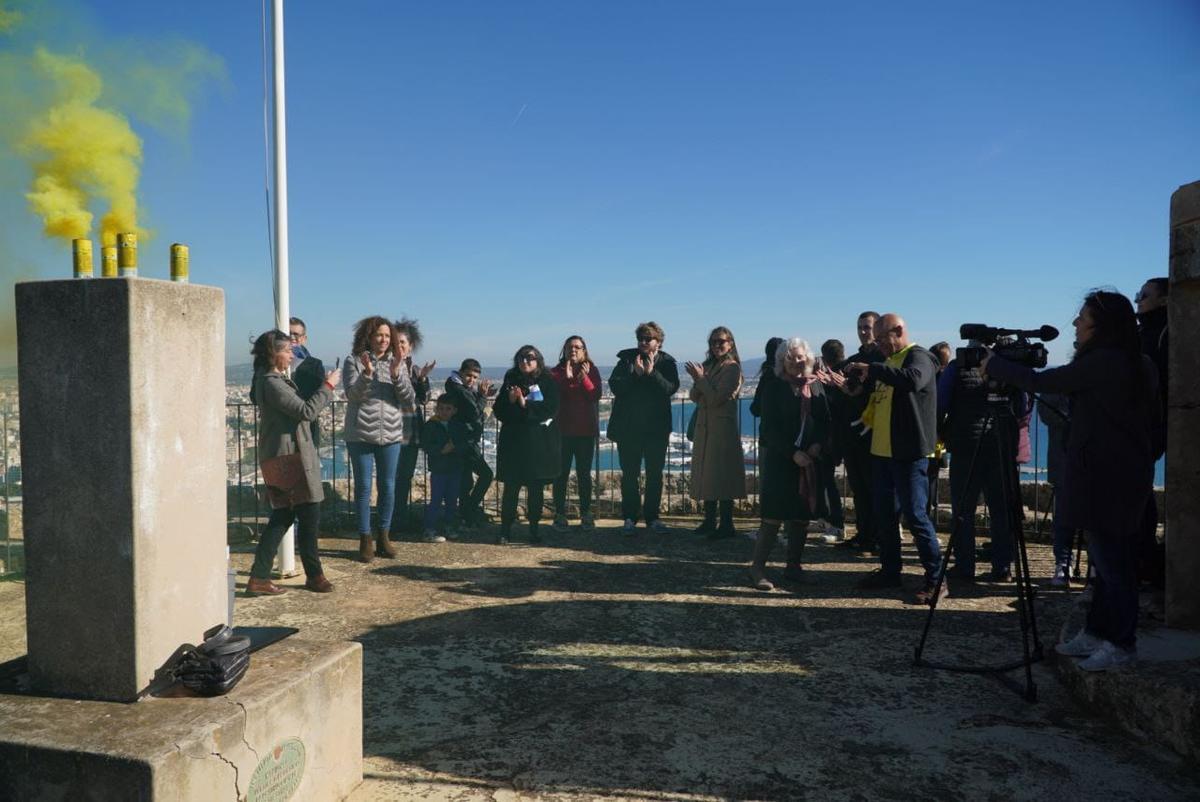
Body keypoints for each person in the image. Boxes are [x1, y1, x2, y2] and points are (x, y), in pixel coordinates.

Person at [983, 290, 1159, 671]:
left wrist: (994, 364)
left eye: (1082, 318)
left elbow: (1041, 380)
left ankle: (1121, 644)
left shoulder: (1105, 363)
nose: (1076, 324)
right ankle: (1096, 633)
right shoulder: (1137, 362)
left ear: (1102, 326)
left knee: (1114, 567)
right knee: (1104, 563)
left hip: (1107, 480)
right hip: (1123, 475)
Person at [838, 313, 943, 604]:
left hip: (908, 453)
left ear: (899, 331)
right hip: (882, 452)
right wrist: (854, 389)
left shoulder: (918, 357)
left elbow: (913, 381)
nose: (880, 345)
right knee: (885, 516)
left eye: (883, 339)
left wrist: (873, 368)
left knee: (916, 516)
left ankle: (936, 578)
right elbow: (876, 396)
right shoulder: (888, 362)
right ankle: (890, 571)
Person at [246, 329, 341, 595]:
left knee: (284, 516)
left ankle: (261, 576)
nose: (291, 355)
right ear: (273, 353)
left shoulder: (268, 380)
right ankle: (313, 576)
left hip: (286, 455)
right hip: (289, 458)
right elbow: (306, 411)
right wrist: (329, 386)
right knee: (306, 514)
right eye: (287, 350)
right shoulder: (273, 382)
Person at [748, 338, 831, 590]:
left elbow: (825, 420)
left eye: (800, 357)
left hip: (808, 460)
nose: (796, 361)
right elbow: (768, 429)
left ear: (809, 358)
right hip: (781, 459)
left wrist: (816, 445)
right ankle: (757, 569)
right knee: (772, 517)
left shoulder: (815, 387)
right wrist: (792, 453)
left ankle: (794, 567)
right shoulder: (774, 386)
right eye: (790, 357)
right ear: (781, 361)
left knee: (800, 517)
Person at [937, 344, 1019, 583]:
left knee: (963, 510)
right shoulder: (1007, 368)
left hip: (965, 445)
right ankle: (1003, 567)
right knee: (1001, 510)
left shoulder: (956, 368)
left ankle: (964, 566)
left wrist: (942, 431)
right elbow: (1022, 408)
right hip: (1000, 443)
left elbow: (941, 403)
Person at [342, 315, 416, 562]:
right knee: (363, 487)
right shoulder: (353, 361)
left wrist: (396, 373)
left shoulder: (399, 363)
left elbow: (408, 399)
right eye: (378, 335)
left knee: (388, 486)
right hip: (360, 433)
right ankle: (365, 538)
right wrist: (367, 374)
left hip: (391, 433)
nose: (383, 340)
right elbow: (352, 395)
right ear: (368, 337)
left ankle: (384, 535)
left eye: (387, 335)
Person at [607, 322, 680, 535]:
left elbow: (670, 388)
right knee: (629, 474)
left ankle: (652, 517)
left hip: (656, 429)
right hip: (629, 428)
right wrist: (635, 374)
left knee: (654, 474)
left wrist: (651, 373)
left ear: (659, 342)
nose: (643, 343)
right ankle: (629, 516)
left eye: (648, 339)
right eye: (641, 339)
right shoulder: (627, 360)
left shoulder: (667, 363)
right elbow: (615, 387)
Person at [493, 345, 561, 544]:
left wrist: (525, 405)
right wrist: (510, 400)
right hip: (514, 444)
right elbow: (499, 411)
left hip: (538, 444)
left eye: (529, 358)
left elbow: (551, 408)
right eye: (521, 358)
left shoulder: (548, 381)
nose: (525, 361)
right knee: (511, 489)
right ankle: (505, 529)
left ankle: (533, 529)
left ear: (538, 360)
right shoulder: (511, 379)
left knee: (535, 489)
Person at [828, 311, 884, 552]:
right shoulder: (852, 362)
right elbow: (844, 398)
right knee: (859, 489)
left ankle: (878, 537)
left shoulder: (883, 361)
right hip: (853, 435)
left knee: (875, 489)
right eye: (860, 327)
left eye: (867, 327)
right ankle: (864, 534)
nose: (863, 332)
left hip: (875, 435)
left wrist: (858, 391)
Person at [685, 326, 747, 538]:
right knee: (708, 474)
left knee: (722, 474)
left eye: (721, 341)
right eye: (713, 342)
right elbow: (695, 396)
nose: (717, 345)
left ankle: (726, 523)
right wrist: (700, 382)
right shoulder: (710, 366)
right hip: (706, 427)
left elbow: (715, 399)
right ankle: (710, 520)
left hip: (721, 429)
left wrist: (701, 380)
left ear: (730, 343)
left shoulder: (732, 368)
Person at [388, 318, 437, 541]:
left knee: (404, 477)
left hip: (411, 432)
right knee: (390, 478)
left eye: (403, 343)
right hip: (392, 430)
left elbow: (424, 399)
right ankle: (389, 522)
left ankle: (400, 518)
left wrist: (423, 378)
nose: (400, 346)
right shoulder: (388, 366)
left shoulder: (415, 369)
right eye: (396, 342)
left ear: (410, 346)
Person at [549, 335, 602, 532]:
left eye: (578, 347)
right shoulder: (556, 372)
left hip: (585, 431)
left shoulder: (592, 370)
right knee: (560, 475)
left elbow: (595, 395)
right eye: (570, 347)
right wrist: (569, 380)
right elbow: (555, 396)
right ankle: (559, 514)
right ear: (564, 350)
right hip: (562, 431)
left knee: (584, 475)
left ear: (584, 350)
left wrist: (584, 379)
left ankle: (586, 513)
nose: (574, 350)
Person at [1135, 277, 1168, 591]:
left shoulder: (1161, 335)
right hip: (1147, 427)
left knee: (1138, 501)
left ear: (1165, 300)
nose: (1138, 301)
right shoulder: (1147, 333)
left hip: (1148, 427)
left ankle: (1146, 565)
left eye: (1144, 296)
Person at [444, 359, 496, 526]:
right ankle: (469, 511)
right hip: (464, 440)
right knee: (485, 475)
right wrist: (481, 396)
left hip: (464, 439)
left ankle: (466, 514)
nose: (472, 380)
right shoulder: (459, 389)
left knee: (466, 480)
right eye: (469, 375)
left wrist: (480, 397)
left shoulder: (459, 387)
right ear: (461, 372)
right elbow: (474, 412)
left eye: (475, 377)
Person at [1037, 392, 1074, 586]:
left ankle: (1069, 563)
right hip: (1064, 460)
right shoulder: (1061, 385)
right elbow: (1045, 412)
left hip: (1075, 460)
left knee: (1070, 517)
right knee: (1063, 517)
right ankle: (1063, 562)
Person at [421, 396, 469, 541]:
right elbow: (426, 445)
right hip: (439, 469)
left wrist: (455, 448)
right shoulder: (431, 425)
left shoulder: (457, 426)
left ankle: (449, 526)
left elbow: (464, 443)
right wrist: (441, 450)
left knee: (452, 500)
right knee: (435, 499)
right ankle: (429, 529)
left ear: (454, 410)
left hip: (454, 468)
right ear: (437, 409)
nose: (444, 412)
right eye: (441, 408)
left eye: (448, 409)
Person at [816, 339, 848, 543]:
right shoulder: (847, 372)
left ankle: (835, 522)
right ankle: (831, 521)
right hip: (843, 434)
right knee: (827, 481)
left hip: (830, 436)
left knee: (826, 481)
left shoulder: (831, 378)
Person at [288, 317, 326, 445]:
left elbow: (319, 398)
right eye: (288, 334)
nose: (292, 338)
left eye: (296, 334)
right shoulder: (270, 363)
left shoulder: (314, 365)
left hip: (306, 430)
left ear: (304, 338)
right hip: (279, 432)